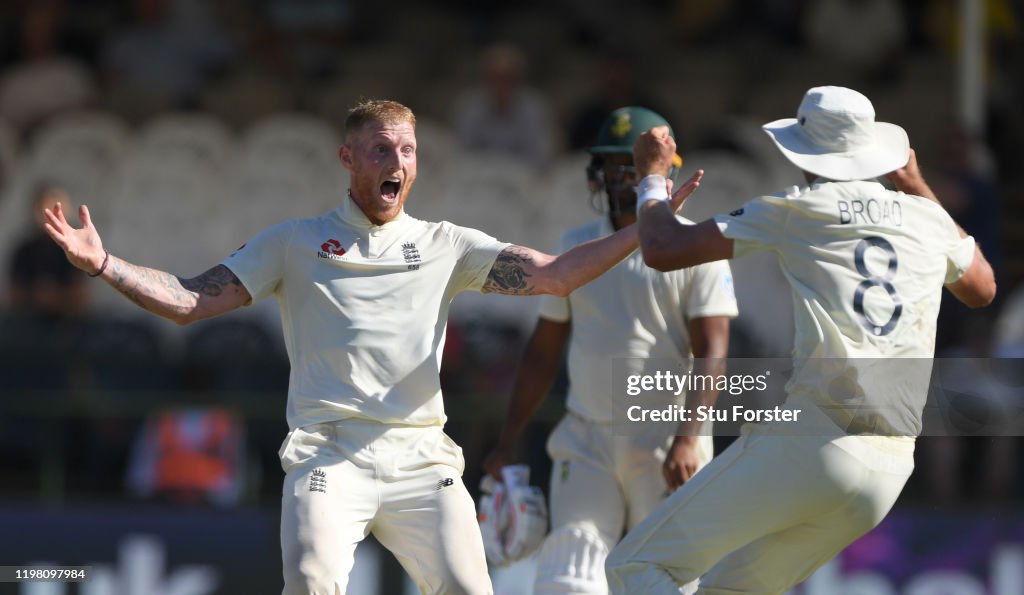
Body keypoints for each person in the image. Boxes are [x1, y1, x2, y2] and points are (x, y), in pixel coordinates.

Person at [42, 98, 703, 595]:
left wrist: (649, 216)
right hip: (330, 456)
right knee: (308, 577)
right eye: (381, 150)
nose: (397, 163)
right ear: (348, 158)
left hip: (422, 461)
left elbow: (556, 273)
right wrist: (106, 265)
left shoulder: (446, 243)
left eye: (407, 151)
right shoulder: (293, 241)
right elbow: (190, 301)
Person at [605, 86, 996, 593]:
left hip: (815, 442)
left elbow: (660, 247)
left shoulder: (799, 208)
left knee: (635, 568)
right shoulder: (925, 216)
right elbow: (982, 288)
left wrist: (653, 176)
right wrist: (918, 185)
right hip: (891, 468)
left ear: (804, 153)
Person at [482, 106, 737, 594]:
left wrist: (690, 436)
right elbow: (542, 353)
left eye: (633, 165)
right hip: (588, 436)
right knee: (566, 580)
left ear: (663, 169)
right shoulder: (575, 247)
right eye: (614, 166)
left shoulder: (696, 245)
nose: (623, 177)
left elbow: (714, 347)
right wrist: (510, 438)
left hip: (664, 438)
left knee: (667, 581)